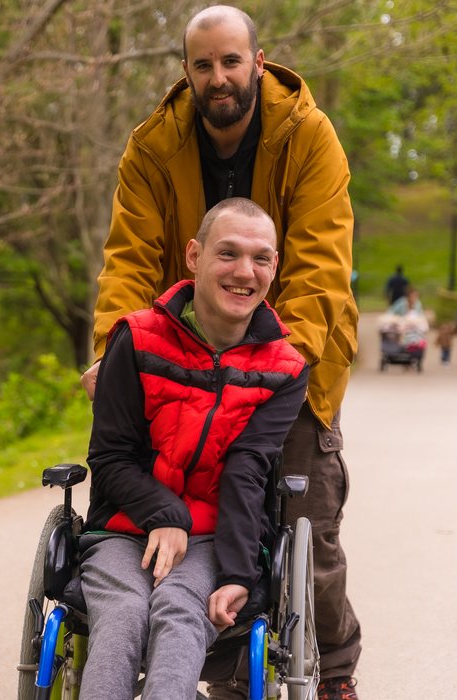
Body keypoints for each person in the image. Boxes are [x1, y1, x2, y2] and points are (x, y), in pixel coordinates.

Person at [79, 6, 362, 698]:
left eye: (231, 61)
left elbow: (319, 269)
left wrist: (265, 367)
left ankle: (335, 674)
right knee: (161, 482)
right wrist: (115, 345)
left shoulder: (307, 136)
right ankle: (218, 660)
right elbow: (128, 259)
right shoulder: (152, 148)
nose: (218, 77)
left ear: (257, 64)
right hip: (179, 350)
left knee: (305, 523)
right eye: (203, 65)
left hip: (286, 354)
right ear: (186, 73)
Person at [81, 198, 308, 699]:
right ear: (193, 256)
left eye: (261, 258)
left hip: (214, 538)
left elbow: (247, 471)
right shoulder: (137, 338)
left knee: (182, 610)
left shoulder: (286, 369)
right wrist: (165, 514)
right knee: (122, 613)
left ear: (275, 266)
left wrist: (237, 574)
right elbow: (110, 456)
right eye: (227, 254)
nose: (244, 272)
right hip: (123, 531)